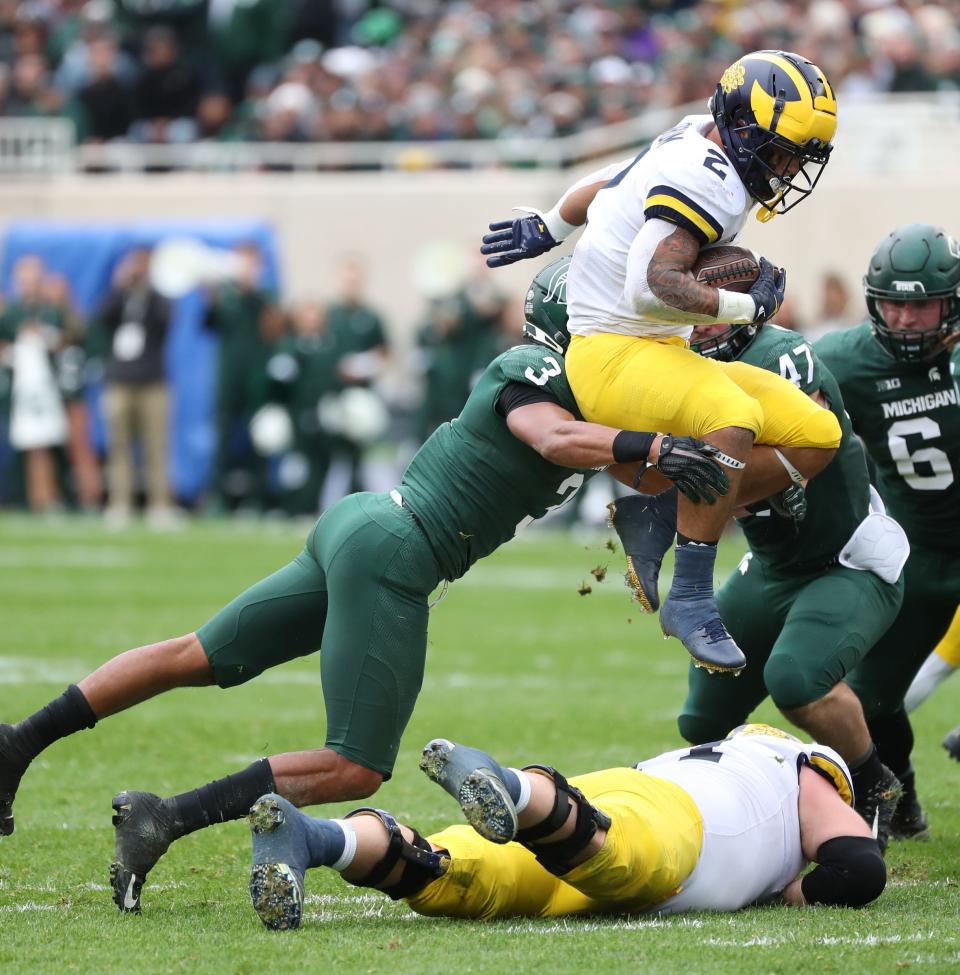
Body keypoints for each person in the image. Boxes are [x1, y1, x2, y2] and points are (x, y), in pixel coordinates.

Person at [0, 262, 727, 915]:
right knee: (356, 765)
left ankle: (19, 742)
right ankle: (167, 817)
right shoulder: (534, 367)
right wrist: (655, 444)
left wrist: (735, 453)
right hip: (397, 548)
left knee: (198, 654)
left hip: (367, 526)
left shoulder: (600, 395)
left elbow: (654, 474)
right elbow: (558, 440)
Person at [481, 51, 842, 674]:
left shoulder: (695, 136)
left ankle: (663, 510)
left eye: (795, 157)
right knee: (732, 414)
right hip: (612, 352)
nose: (785, 169)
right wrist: (745, 305)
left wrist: (550, 223)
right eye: (778, 150)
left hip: (657, 348)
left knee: (817, 433)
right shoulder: (709, 178)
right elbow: (652, 285)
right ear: (740, 125)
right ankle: (693, 596)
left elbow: (610, 180)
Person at [246, 724, 886, 931]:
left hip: (619, 792)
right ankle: (515, 786)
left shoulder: (726, 756)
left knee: (453, 874)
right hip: (681, 825)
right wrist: (784, 893)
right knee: (619, 856)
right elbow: (857, 866)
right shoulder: (797, 769)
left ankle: (316, 839)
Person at [661, 317, 908, 848]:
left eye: (707, 312)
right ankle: (764, 799)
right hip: (772, 566)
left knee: (797, 682)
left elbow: (802, 448)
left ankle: (874, 784)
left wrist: (681, 473)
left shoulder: (779, 354)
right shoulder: (671, 366)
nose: (693, 327)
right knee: (701, 721)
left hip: (845, 559)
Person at [816, 223, 960, 842]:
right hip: (920, 552)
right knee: (870, 697)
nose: (904, 319)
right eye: (894, 303)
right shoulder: (846, 361)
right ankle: (898, 792)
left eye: (920, 303)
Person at [96, 247, 175, 527]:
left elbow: (165, 320)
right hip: (120, 380)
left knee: (156, 446)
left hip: (152, 381)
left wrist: (150, 287)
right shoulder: (120, 296)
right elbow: (102, 318)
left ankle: (160, 505)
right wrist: (120, 285)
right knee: (119, 446)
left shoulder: (158, 298)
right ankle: (120, 504)